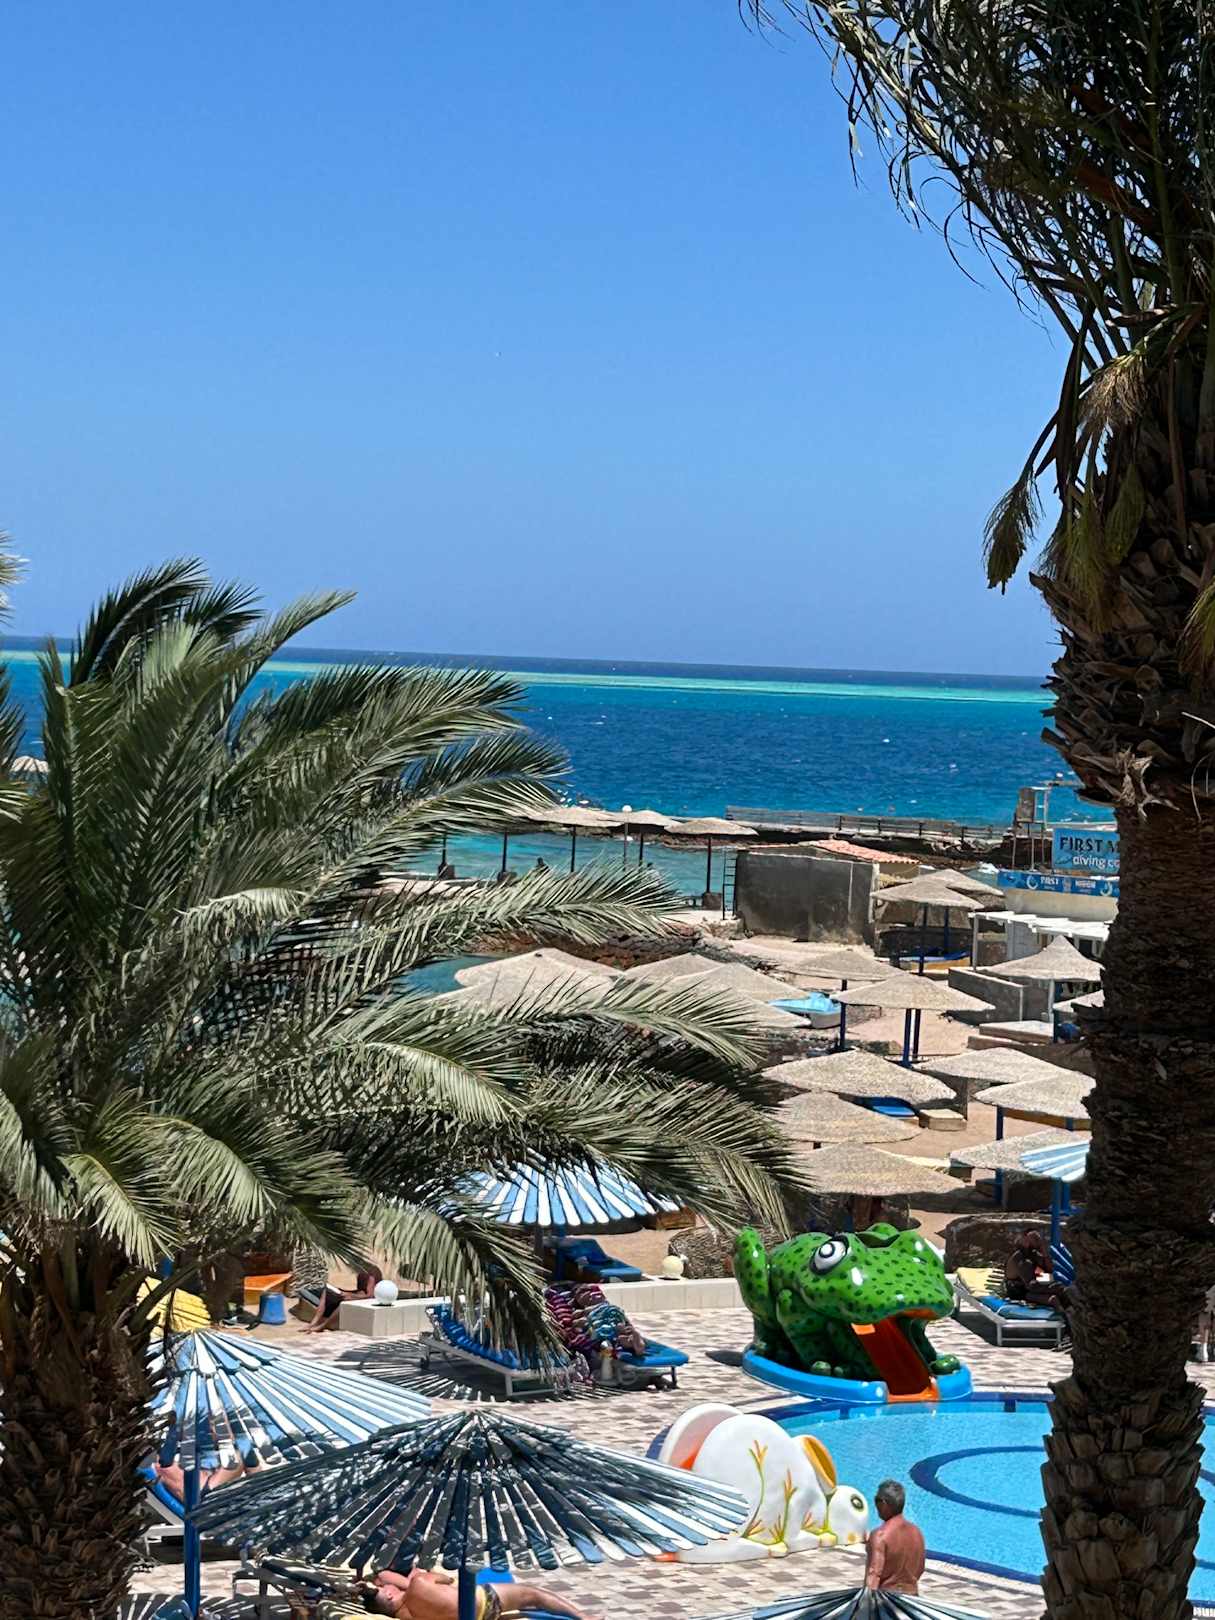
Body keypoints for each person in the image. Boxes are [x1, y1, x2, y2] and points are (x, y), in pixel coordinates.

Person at [360, 1568, 599, 1620]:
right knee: (534, 1594)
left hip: (478, 1618)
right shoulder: (420, 1583)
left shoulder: (403, 1617)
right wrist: (417, 1576)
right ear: (389, 1595)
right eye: (384, 1588)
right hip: (486, 1603)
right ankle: (584, 1617)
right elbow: (446, 1578)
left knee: (527, 1605)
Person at [864, 1478, 925, 1595]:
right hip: (911, 1599)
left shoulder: (879, 1535)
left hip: (886, 1599)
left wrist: (865, 1602)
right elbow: (920, 1569)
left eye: (876, 1500)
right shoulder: (917, 1533)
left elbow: (874, 1575)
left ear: (884, 1503)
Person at [300, 1265, 382, 1333]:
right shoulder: (364, 1278)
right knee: (325, 1291)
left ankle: (323, 1326)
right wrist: (346, 1293)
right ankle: (313, 1323)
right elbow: (360, 1292)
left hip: (362, 1301)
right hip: (355, 1297)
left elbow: (370, 1296)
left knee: (345, 1300)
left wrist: (350, 1295)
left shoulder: (372, 1278)